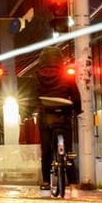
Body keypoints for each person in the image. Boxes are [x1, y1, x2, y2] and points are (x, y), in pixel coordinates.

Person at [31, 45, 79, 187]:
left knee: (46, 149)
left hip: (46, 113)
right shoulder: (65, 73)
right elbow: (75, 93)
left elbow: (33, 94)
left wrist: (33, 108)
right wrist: (78, 110)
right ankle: (72, 181)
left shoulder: (38, 74)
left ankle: (46, 181)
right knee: (68, 149)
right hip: (64, 112)